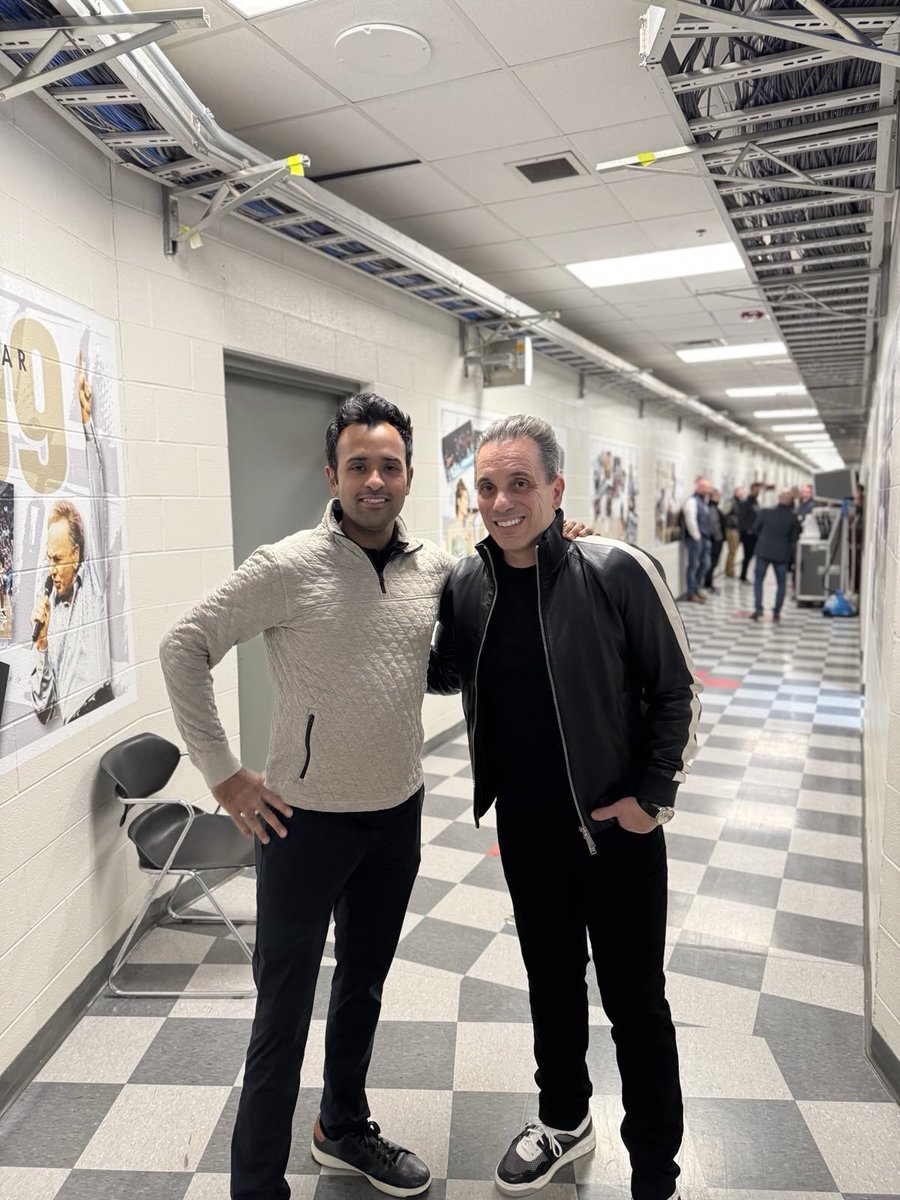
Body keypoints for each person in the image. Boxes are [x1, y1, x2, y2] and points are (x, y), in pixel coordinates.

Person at [159, 393, 590, 1200]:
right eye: (357, 465)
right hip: (300, 823)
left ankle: (343, 1128)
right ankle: (256, 1184)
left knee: (362, 986)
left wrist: (564, 546)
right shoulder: (286, 565)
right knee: (282, 1012)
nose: (374, 480)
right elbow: (184, 646)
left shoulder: (435, 569)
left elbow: (455, 650)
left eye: (389, 466)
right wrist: (223, 772)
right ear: (332, 475)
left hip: (394, 815)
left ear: (409, 476)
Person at [428, 415, 701, 1200]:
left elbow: (677, 690)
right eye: (487, 486)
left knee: (635, 1004)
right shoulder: (469, 584)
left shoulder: (617, 570)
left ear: (556, 488)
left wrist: (652, 799)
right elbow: (445, 673)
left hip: (615, 832)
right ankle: (563, 1119)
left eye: (520, 483)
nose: (501, 501)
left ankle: (654, 1171)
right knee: (550, 984)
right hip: (527, 830)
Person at [30, 355, 114, 723]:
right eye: (49, 558)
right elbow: (43, 709)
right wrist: (41, 643)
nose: (52, 568)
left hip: (101, 703)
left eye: (58, 558)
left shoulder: (93, 584)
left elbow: (99, 498)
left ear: (76, 554)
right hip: (71, 724)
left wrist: (87, 424)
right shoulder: (49, 611)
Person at [751, 488, 801, 622]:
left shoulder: (765, 512)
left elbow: (756, 529)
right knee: (781, 584)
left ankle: (758, 609)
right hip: (781, 554)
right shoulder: (793, 517)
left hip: (763, 551)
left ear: (778, 499)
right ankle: (776, 612)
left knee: (758, 581)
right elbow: (794, 538)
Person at [681, 476, 711, 603]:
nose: (708, 489)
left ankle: (696, 588)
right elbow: (690, 520)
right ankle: (691, 592)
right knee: (694, 565)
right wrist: (696, 536)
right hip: (696, 539)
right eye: (705, 487)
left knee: (705, 564)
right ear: (699, 487)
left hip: (705, 538)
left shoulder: (704, 502)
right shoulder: (692, 501)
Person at [737, 481, 762, 583]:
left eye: (758, 490)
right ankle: (743, 575)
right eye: (755, 490)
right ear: (751, 490)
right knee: (747, 555)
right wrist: (748, 530)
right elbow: (741, 518)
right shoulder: (745, 503)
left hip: (754, 534)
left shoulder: (756, 503)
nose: (757, 492)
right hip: (747, 534)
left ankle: (745, 574)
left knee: (750, 555)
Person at [703, 487, 724, 594]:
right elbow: (714, 524)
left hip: (715, 539)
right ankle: (708, 583)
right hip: (715, 540)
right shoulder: (712, 508)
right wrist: (718, 537)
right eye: (718, 496)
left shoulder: (713, 507)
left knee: (712, 562)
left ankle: (708, 582)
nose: (719, 498)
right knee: (712, 562)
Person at [721, 486, 744, 577]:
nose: (741, 494)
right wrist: (730, 522)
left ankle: (729, 569)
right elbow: (723, 513)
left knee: (734, 551)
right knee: (732, 551)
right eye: (740, 492)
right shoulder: (731, 502)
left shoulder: (740, 503)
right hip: (731, 529)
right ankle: (730, 571)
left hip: (737, 529)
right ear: (735, 492)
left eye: (742, 493)